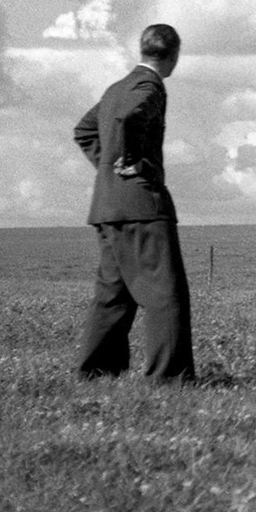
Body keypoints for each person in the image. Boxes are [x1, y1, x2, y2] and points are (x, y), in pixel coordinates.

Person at [74, 23, 195, 383]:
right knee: (166, 295)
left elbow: (84, 130)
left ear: (142, 50)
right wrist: (130, 160)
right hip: (141, 206)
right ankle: (169, 379)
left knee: (113, 295)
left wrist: (108, 166)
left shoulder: (116, 87)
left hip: (107, 207)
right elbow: (132, 116)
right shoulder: (149, 86)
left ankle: (96, 373)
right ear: (173, 55)